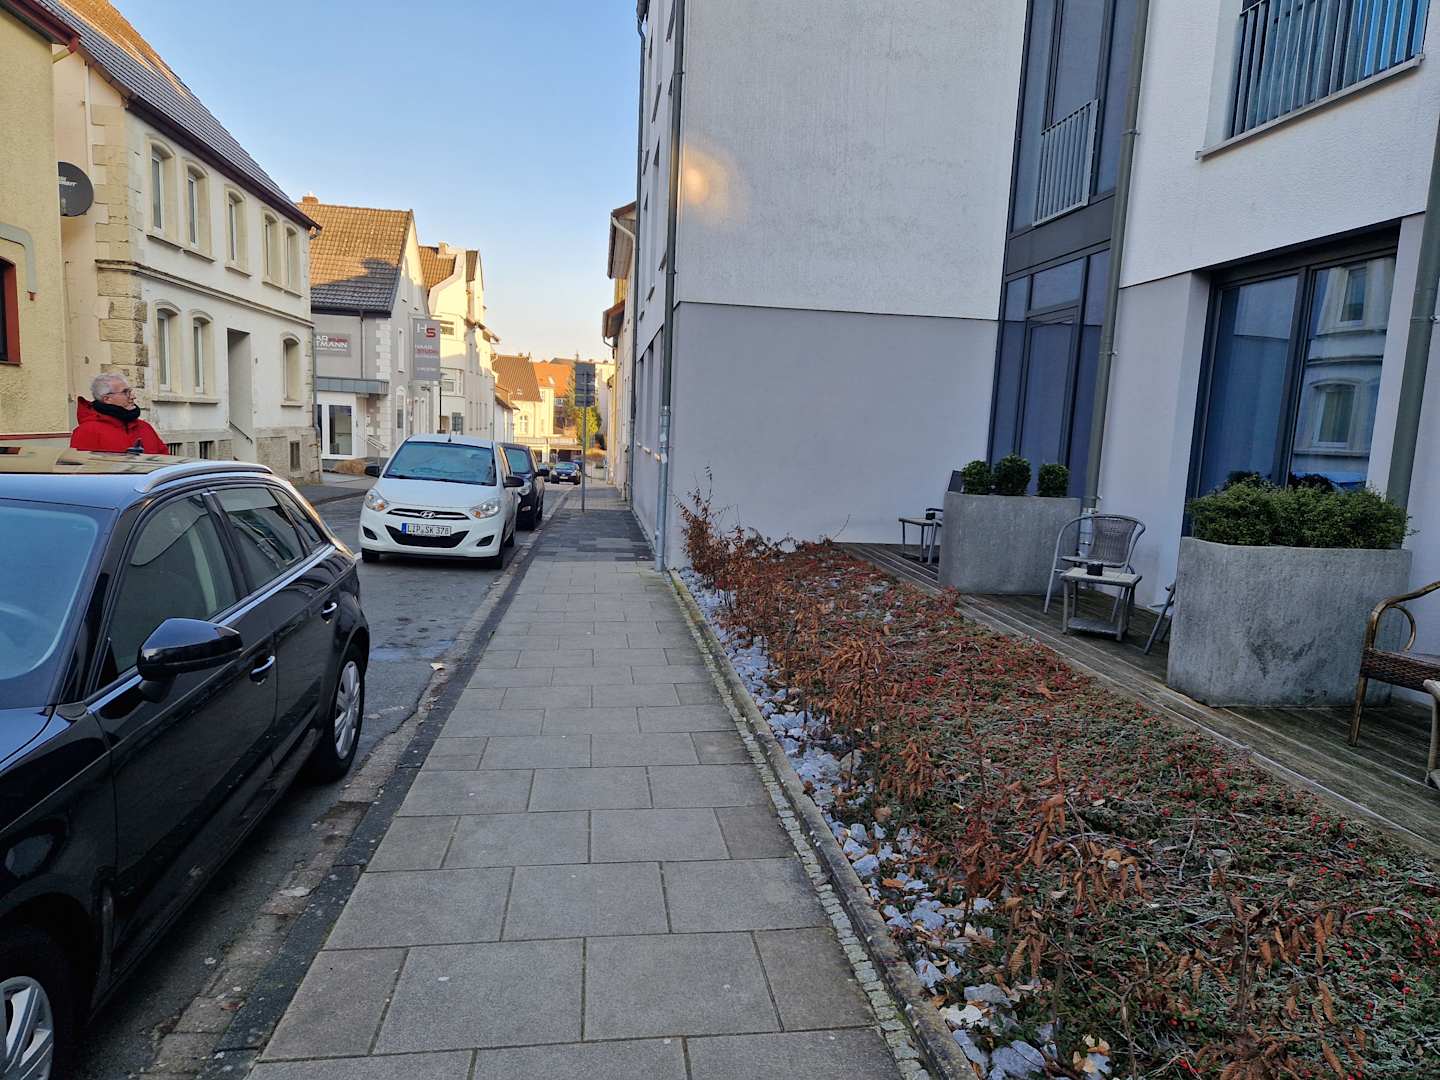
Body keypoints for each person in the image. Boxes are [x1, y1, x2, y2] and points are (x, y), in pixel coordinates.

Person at [70, 373, 169, 455]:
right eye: (125, 392)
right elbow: (82, 469)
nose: (133, 397)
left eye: (130, 391)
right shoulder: (87, 431)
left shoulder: (145, 427)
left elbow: (166, 462)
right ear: (107, 399)